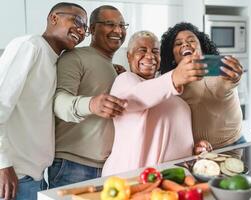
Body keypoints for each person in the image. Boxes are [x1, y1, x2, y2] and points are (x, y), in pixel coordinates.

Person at [0, 2, 87, 200]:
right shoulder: (30, 46)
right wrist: (2, 164)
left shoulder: (54, 59)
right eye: (78, 21)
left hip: (34, 177)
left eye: (85, 28)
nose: (81, 30)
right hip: (13, 177)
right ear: (53, 18)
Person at [102, 30, 212, 176]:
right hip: (132, 179)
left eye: (155, 51)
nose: (150, 56)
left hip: (175, 178)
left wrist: (194, 148)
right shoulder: (125, 80)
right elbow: (136, 98)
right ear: (129, 56)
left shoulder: (171, 91)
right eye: (142, 50)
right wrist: (174, 78)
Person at [47, 5, 128, 188]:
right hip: (73, 166)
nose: (118, 30)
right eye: (109, 24)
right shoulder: (74, 57)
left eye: (122, 25)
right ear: (92, 29)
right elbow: (58, 101)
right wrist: (91, 104)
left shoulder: (112, 67)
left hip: (108, 167)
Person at [160, 22, 245, 150]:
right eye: (178, 43)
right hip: (197, 150)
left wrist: (235, 74)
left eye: (191, 40)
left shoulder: (216, 71)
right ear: (172, 57)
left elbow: (229, 80)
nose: (185, 44)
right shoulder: (169, 79)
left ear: (202, 49)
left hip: (233, 146)